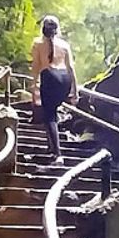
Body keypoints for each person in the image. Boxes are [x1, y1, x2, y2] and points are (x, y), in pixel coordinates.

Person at [31, 15, 78, 165]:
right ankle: (50, 147)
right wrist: (74, 91)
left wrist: (34, 88)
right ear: (57, 30)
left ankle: (57, 154)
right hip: (64, 79)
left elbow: (36, 68)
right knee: (50, 113)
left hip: (49, 77)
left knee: (49, 116)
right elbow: (71, 67)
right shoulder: (64, 45)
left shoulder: (38, 44)